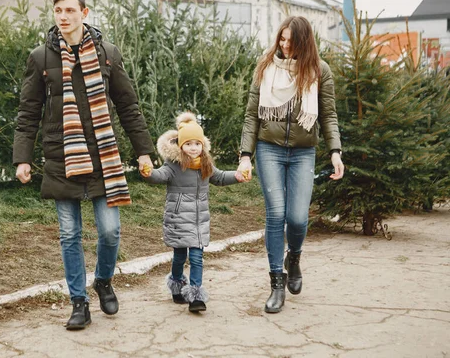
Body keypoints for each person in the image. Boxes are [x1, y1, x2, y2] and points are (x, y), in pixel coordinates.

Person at [13, 0, 154, 330]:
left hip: (104, 156)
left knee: (109, 231)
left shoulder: (107, 53)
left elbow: (128, 105)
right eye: (58, 11)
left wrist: (143, 151)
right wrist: (23, 158)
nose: (63, 17)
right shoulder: (41, 57)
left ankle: (103, 280)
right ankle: (79, 302)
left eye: (69, 11)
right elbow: (28, 111)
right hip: (62, 157)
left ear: (84, 13)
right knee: (69, 234)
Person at [237, 16, 344, 314]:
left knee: (297, 219)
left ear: (304, 42)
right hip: (268, 148)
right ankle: (276, 284)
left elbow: (328, 116)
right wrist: (245, 154)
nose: (284, 45)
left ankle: (293, 257)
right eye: (281, 39)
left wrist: (335, 151)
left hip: (302, 152)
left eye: (291, 41)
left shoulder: (319, 71)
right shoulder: (266, 65)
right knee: (275, 214)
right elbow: (251, 116)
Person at [141, 112, 242, 313]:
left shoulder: (205, 163)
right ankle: (177, 284)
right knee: (179, 257)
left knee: (196, 257)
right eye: (188, 144)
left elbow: (220, 177)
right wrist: (148, 172)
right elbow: (159, 176)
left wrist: (237, 176)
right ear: (180, 145)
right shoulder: (174, 165)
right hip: (179, 218)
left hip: (199, 220)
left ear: (202, 145)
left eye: (197, 143)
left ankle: (195, 295)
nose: (193, 147)